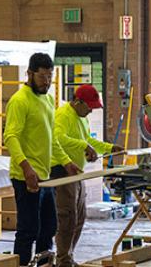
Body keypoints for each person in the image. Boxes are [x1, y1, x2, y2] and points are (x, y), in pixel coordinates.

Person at [4, 53, 77, 266]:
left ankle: (45, 264)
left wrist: (65, 162)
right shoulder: (20, 101)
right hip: (25, 177)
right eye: (42, 77)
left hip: (45, 177)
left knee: (49, 227)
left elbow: (51, 137)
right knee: (28, 230)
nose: (47, 82)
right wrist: (26, 169)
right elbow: (11, 137)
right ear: (30, 74)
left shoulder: (47, 99)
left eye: (50, 77)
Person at [51, 84, 123, 267]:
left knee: (80, 217)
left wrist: (108, 148)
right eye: (89, 106)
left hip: (76, 172)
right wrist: (83, 147)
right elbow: (58, 138)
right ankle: (63, 260)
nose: (91, 110)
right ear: (77, 102)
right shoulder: (63, 115)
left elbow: (87, 139)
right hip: (61, 170)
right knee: (68, 217)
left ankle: (68, 256)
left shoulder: (81, 117)